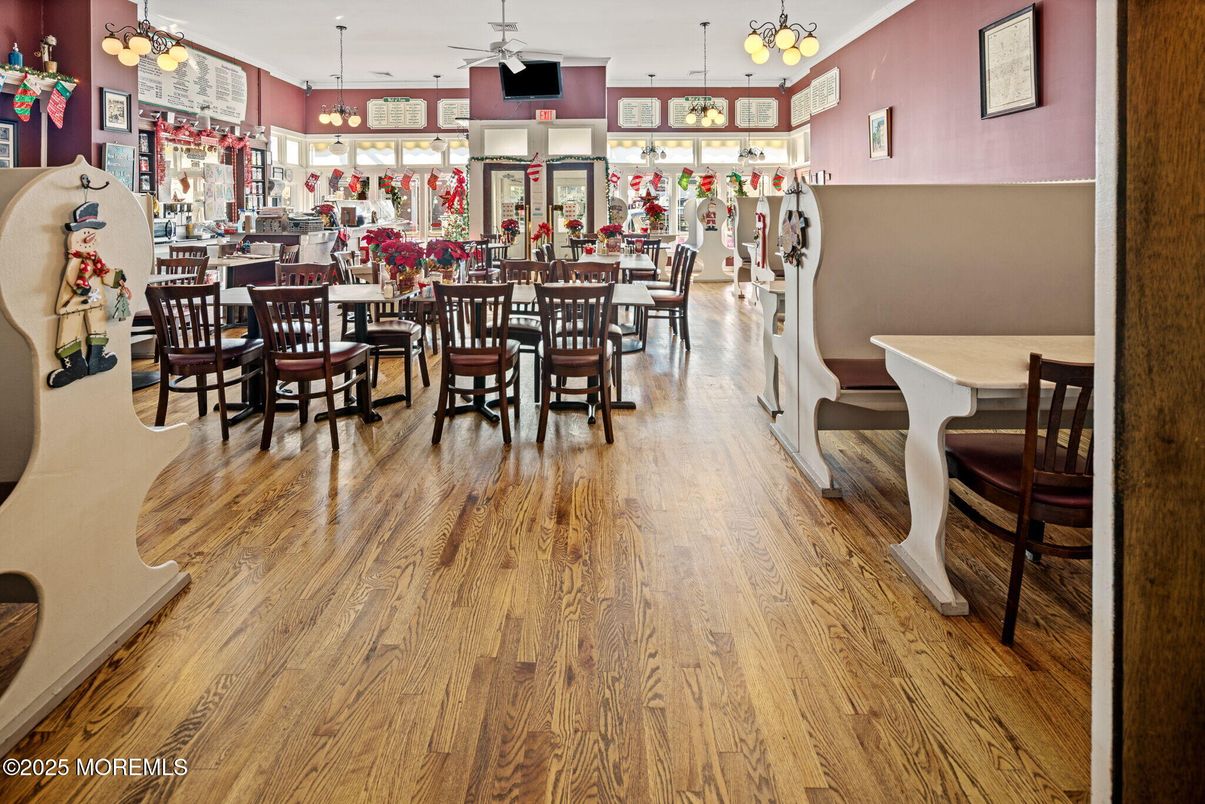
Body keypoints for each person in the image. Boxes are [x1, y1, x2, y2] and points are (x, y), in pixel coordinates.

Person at [48, 201, 131, 388]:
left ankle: (96, 359)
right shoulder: (76, 260)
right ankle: (74, 366)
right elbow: (72, 276)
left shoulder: (95, 258)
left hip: (96, 301)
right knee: (69, 330)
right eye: (85, 232)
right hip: (75, 302)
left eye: (91, 232)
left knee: (98, 326)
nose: (88, 237)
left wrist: (117, 277)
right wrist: (81, 287)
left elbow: (104, 272)